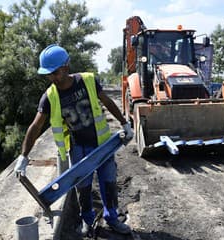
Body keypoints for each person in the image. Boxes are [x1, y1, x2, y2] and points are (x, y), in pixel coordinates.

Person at [13, 44, 134, 236]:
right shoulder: (50, 96)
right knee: (83, 188)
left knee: (109, 182)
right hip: (78, 147)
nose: (51, 77)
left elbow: (108, 101)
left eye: (55, 72)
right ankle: (88, 220)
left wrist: (124, 123)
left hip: (102, 143)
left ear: (66, 67)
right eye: (48, 74)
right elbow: (35, 126)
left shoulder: (87, 81)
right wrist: (24, 157)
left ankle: (112, 218)